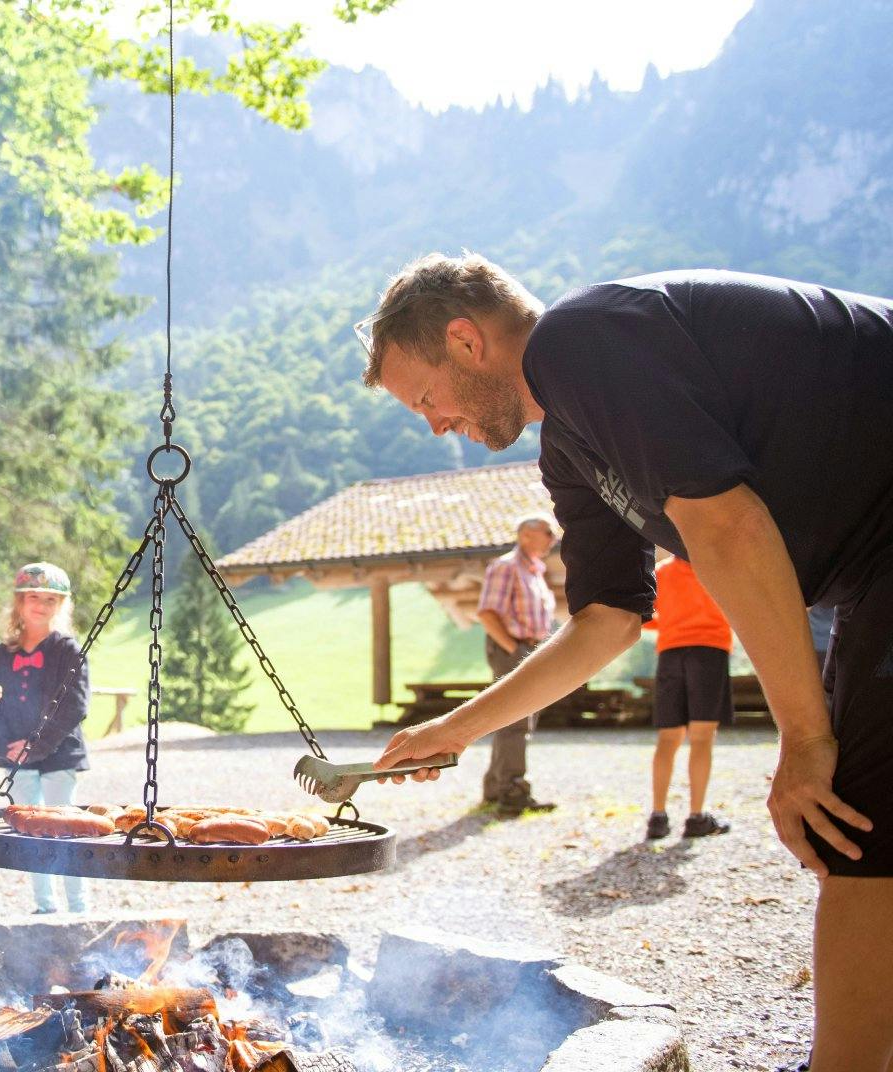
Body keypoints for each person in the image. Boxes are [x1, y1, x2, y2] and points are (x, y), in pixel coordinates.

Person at [358, 253, 892, 1068]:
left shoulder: (583, 340)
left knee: (852, 819)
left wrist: (805, 738)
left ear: (466, 341)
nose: (434, 425)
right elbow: (606, 620)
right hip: (871, 578)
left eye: (426, 399)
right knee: (860, 829)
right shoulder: (570, 445)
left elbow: (729, 528)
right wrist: (456, 730)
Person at [0, 562, 91, 914]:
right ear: (19, 601)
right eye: (33, 596)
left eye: (50, 598)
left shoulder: (67, 650)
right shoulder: (4, 653)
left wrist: (36, 746)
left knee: (67, 830)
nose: (41, 605)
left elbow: (74, 706)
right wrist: (5, 748)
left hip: (58, 754)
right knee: (30, 833)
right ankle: (45, 907)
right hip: (17, 756)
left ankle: (79, 909)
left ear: (60, 605)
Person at [641, 555, 733, 841]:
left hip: (671, 653)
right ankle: (696, 818)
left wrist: (670, 623)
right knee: (703, 737)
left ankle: (658, 817)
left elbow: (642, 615)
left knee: (668, 738)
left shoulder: (660, 572)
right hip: (710, 650)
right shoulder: (719, 563)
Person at [475, 515, 559, 817]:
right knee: (516, 719)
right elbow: (487, 613)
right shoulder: (506, 566)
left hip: (529, 649)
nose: (552, 538)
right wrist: (516, 650)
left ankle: (496, 789)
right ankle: (513, 791)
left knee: (511, 718)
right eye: (548, 532)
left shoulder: (535, 571)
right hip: (513, 648)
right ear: (526, 535)